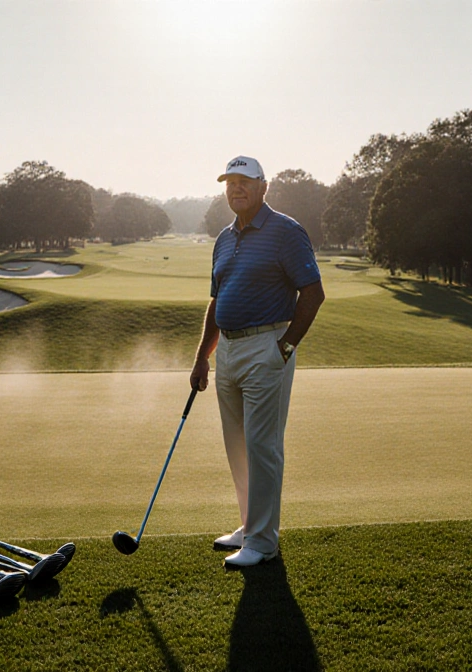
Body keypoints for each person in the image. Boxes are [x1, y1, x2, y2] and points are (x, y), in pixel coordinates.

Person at [189, 155, 325, 568]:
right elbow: (217, 301)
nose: (236, 188)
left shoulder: (285, 231)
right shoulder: (224, 238)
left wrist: (284, 347)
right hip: (227, 350)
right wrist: (202, 358)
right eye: (230, 182)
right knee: (237, 445)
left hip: (267, 346)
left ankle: (263, 542)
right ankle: (249, 526)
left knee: (262, 446)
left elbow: (313, 293)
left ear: (264, 186)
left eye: (245, 181)